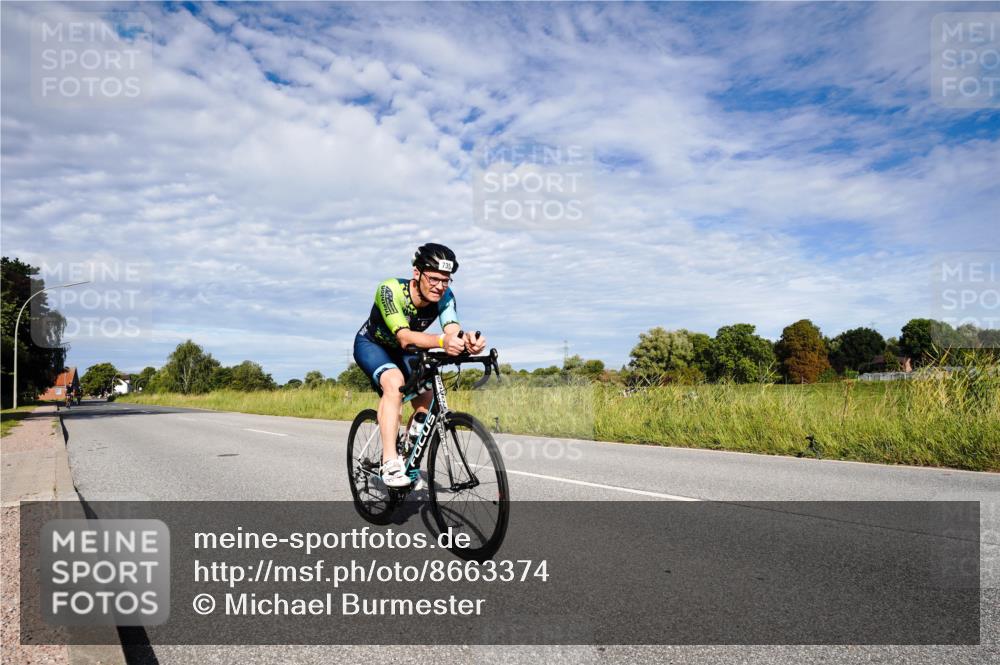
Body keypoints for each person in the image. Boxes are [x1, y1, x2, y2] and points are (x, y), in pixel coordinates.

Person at [353, 243, 486, 488]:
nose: (440, 286)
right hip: (374, 346)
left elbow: (452, 330)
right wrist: (442, 341)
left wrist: (467, 342)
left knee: (426, 399)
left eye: (446, 280)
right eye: (434, 279)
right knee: (394, 383)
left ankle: (407, 456)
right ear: (417, 273)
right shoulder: (390, 290)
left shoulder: (445, 297)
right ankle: (390, 461)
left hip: (409, 350)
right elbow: (404, 337)